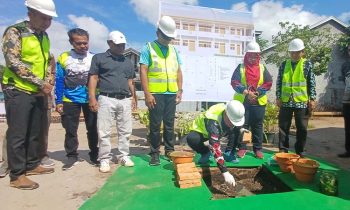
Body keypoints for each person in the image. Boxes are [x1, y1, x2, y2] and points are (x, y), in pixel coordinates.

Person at [1, 0, 57, 189]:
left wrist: (49, 81)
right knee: (18, 133)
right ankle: (17, 175)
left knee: (35, 131)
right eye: (44, 17)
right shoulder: (15, 32)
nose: (47, 22)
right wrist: (41, 83)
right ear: (31, 13)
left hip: (37, 92)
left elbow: (49, 60)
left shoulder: (44, 36)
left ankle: (32, 164)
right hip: (17, 90)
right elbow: (13, 62)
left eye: (49, 19)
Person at [89, 31, 137, 173]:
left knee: (126, 130)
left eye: (123, 45)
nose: (121, 48)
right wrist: (92, 97)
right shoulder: (99, 58)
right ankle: (104, 158)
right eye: (118, 45)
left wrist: (134, 97)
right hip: (106, 98)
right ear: (109, 43)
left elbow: (130, 81)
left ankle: (123, 155)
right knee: (104, 130)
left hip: (124, 99)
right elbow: (94, 78)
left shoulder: (127, 62)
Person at [139, 16, 183, 166]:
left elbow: (178, 71)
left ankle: (170, 151)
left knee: (170, 124)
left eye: (170, 37)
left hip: (171, 93)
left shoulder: (174, 50)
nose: (167, 39)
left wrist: (180, 90)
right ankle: (154, 153)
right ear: (158, 32)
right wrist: (147, 93)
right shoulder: (148, 48)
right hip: (155, 94)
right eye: (165, 36)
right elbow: (143, 71)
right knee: (155, 125)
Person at [55, 28, 99, 170]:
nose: (83, 46)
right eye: (79, 43)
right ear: (71, 42)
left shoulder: (94, 58)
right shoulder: (63, 57)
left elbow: (98, 79)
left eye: (85, 43)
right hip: (69, 99)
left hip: (90, 99)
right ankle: (71, 156)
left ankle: (94, 154)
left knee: (92, 128)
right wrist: (59, 101)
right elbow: (59, 80)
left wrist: (97, 98)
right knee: (70, 129)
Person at [185, 100, 245, 187]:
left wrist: (240, 130)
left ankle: (230, 153)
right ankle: (205, 151)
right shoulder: (213, 120)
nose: (233, 124)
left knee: (237, 130)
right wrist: (225, 172)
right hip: (202, 131)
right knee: (192, 138)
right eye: (231, 121)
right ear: (226, 114)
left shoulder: (235, 112)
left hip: (219, 128)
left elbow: (237, 125)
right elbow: (215, 147)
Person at [230, 41, 272, 159]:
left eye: (255, 55)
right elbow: (234, 82)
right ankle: (242, 148)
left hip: (259, 102)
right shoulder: (241, 67)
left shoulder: (262, 68)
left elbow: (268, 82)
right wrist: (245, 92)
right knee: (244, 125)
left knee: (257, 126)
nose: (253, 58)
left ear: (258, 56)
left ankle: (257, 149)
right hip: (243, 101)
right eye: (250, 55)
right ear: (246, 55)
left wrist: (258, 93)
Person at [276, 38, 316, 157]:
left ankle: (300, 151)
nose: (294, 54)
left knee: (302, 128)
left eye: (297, 52)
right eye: (292, 52)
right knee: (283, 127)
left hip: (301, 102)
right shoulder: (284, 64)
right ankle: (283, 150)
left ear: (302, 52)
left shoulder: (307, 64)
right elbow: (279, 81)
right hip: (286, 101)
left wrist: (312, 98)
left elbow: (311, 82)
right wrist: (278, 97)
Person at [338, 45, 350, 158]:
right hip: (347, 101)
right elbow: (345, 82)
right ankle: (348, 151)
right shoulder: (345, 65)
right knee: (348, 127)